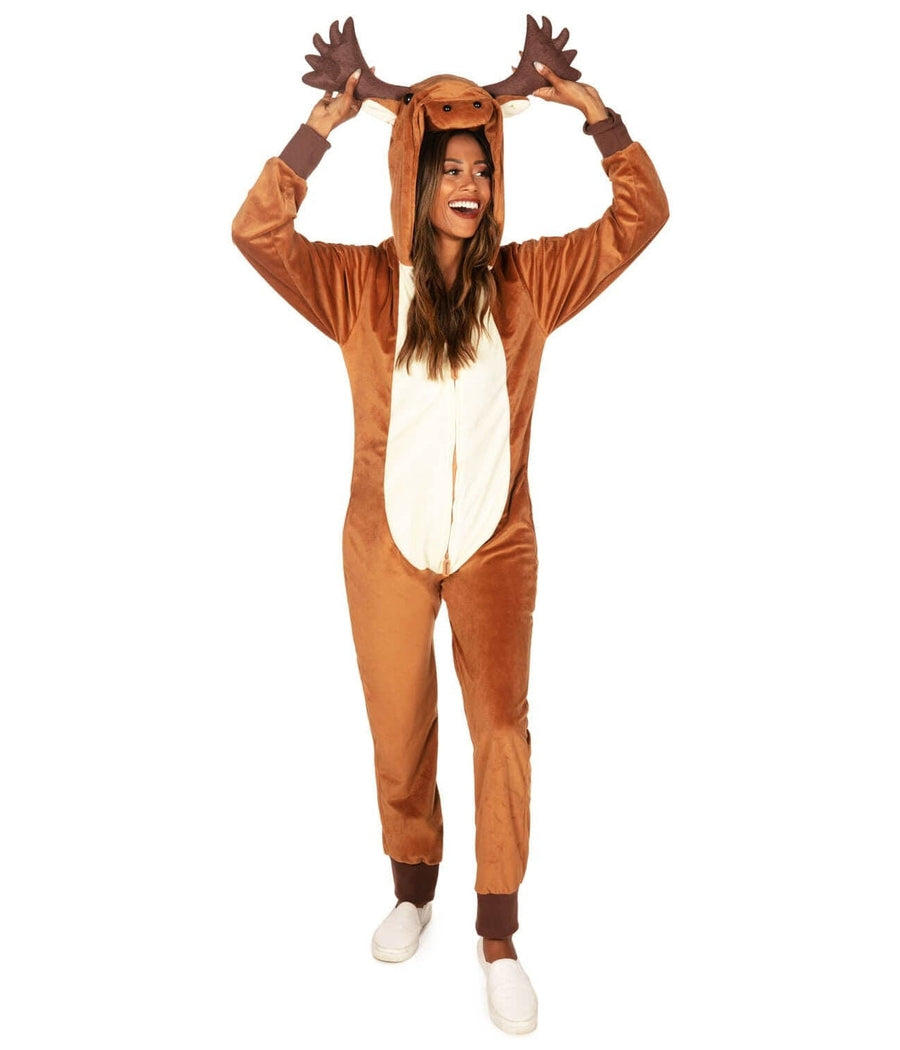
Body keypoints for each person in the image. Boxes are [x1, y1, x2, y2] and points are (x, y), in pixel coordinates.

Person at [233, 27, 668, 1034]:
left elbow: (641, 216)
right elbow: (258, 233)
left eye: (482, 169)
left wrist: (597, 118)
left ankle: (499, 933)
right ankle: (413, 886)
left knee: (501, 728)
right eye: (451, 169)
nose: (470, 184)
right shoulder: (358, 286)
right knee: (399, 725)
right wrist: (316, 132)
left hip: (494, 541)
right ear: (415, 178)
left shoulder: (529, 282)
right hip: (382, 543)